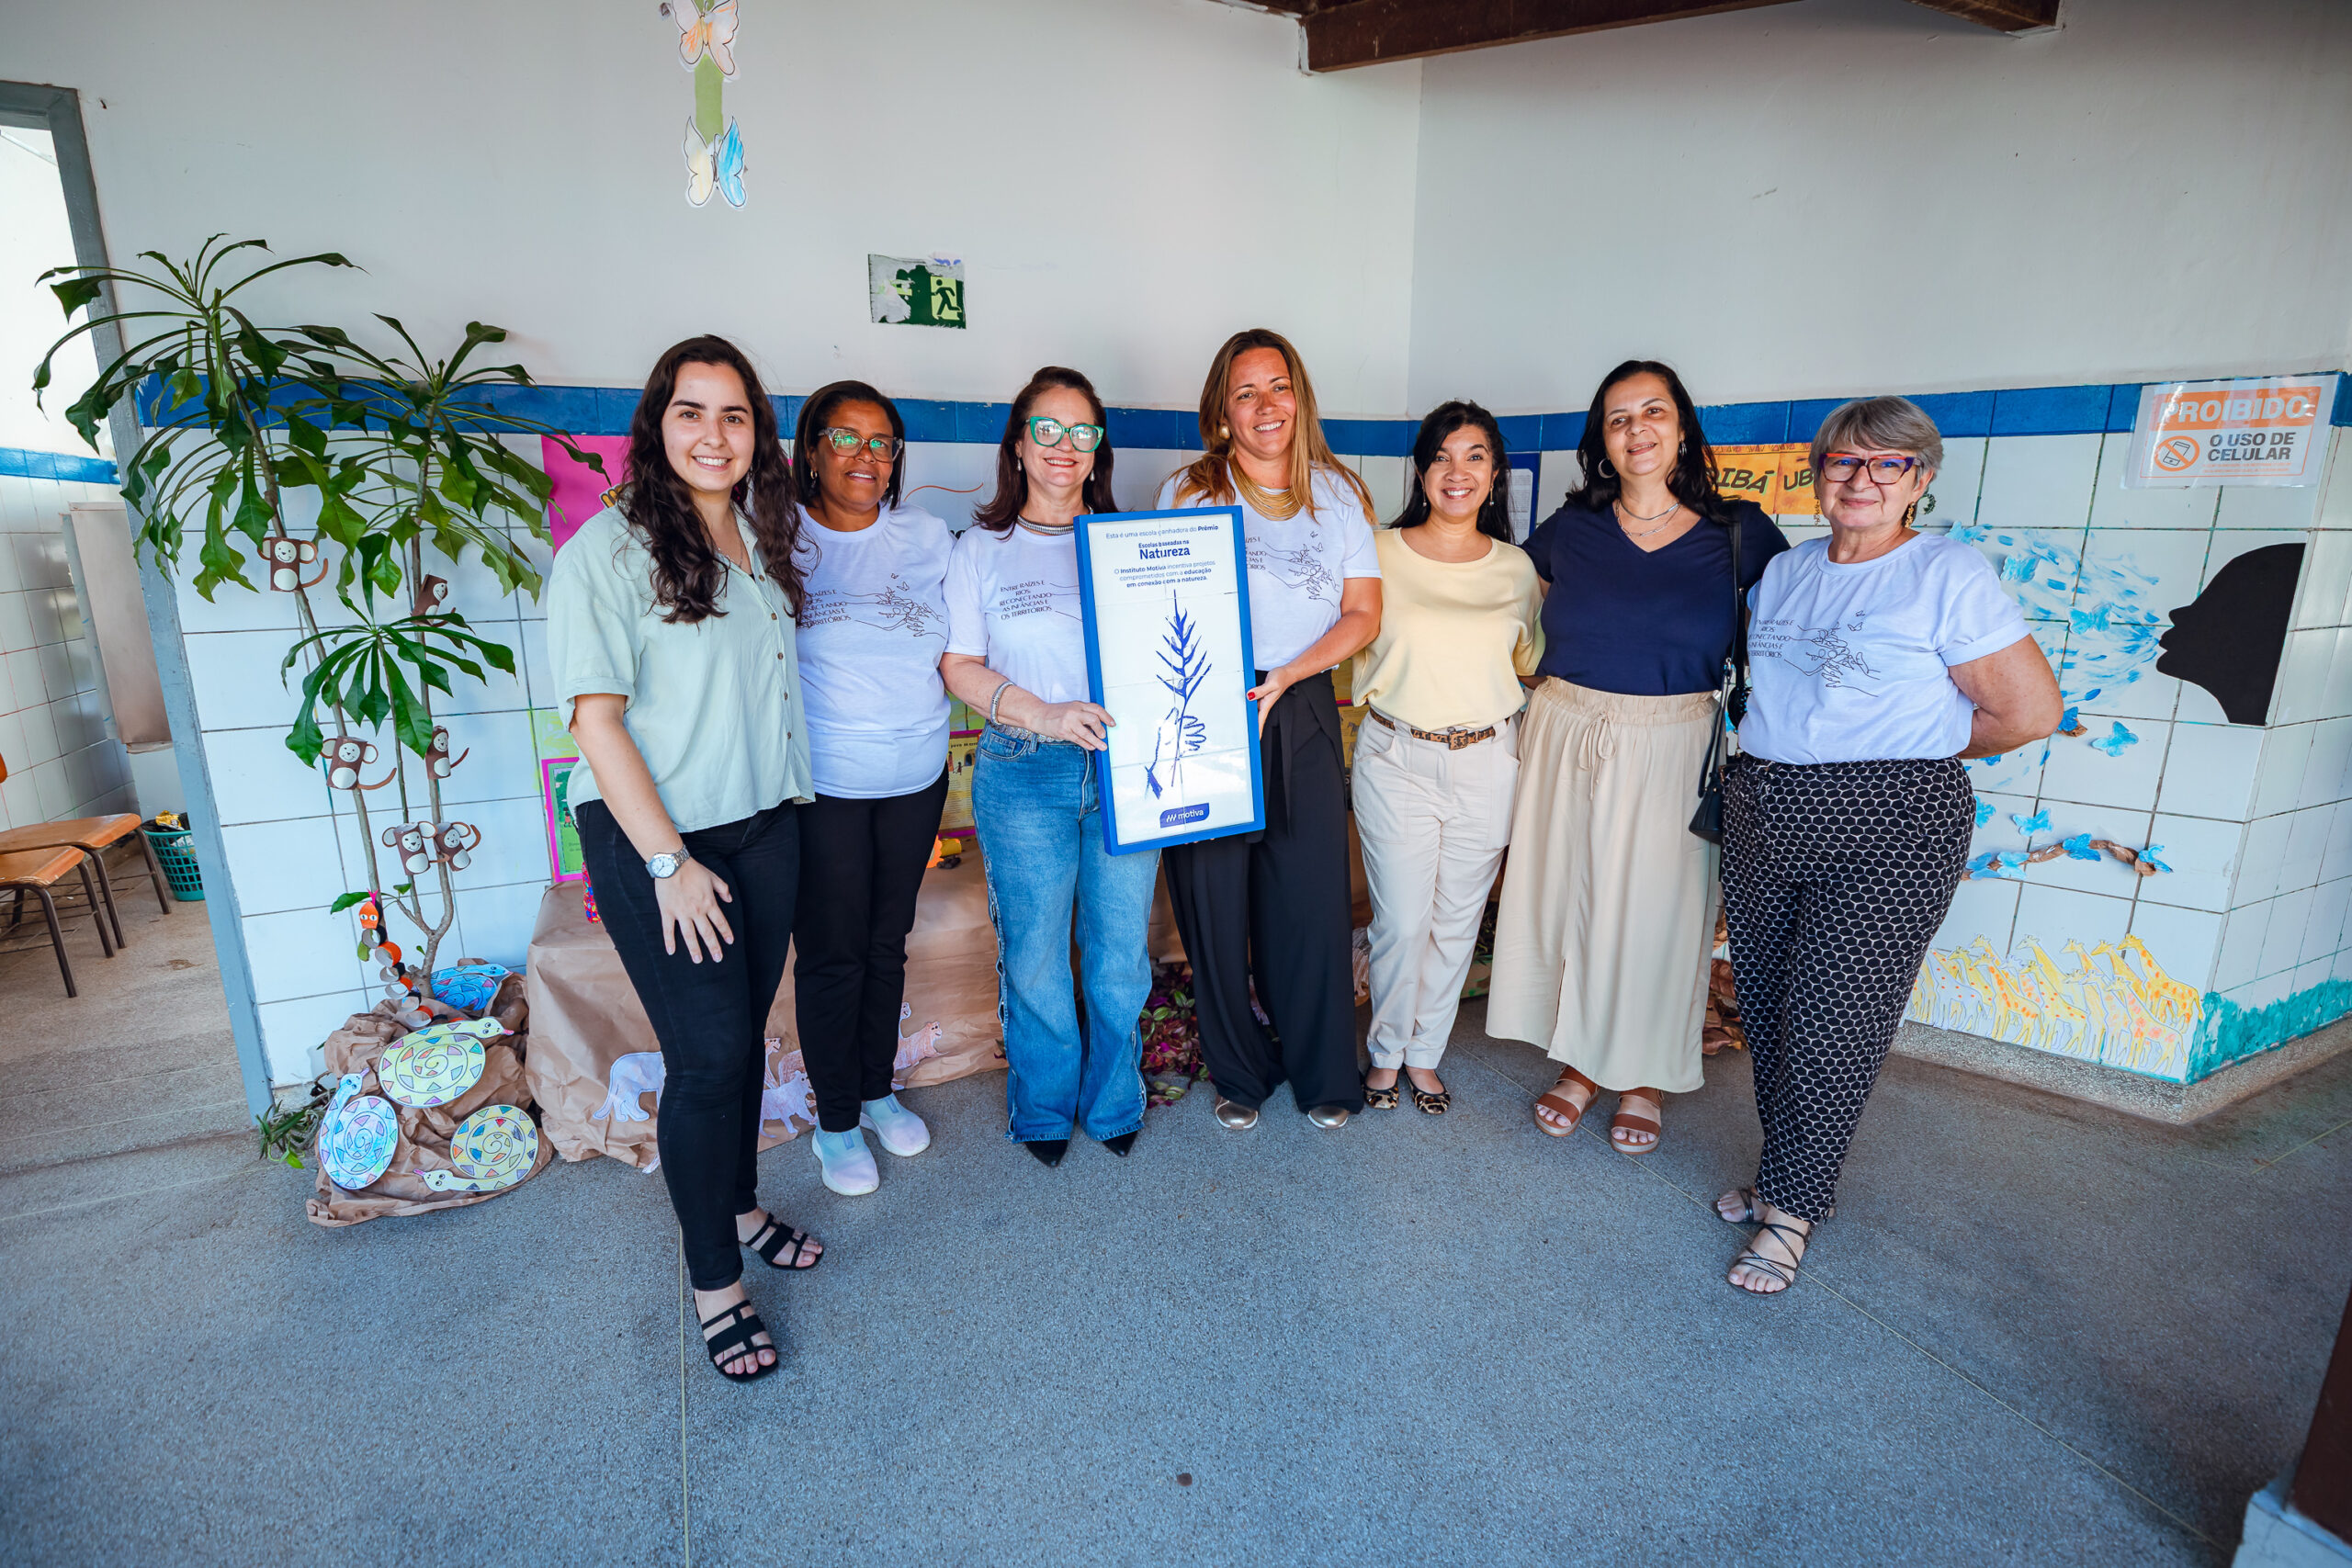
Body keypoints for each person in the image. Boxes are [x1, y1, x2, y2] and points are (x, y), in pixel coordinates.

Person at [1715, 396, 2060, 1294]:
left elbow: (2027, 710)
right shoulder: (1788, 573)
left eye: (1887, 465)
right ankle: (1784, 1174)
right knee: (1772, 1008)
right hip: (1767, 807)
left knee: (1837, 1020)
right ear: (1818, 473)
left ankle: (1790, 1211)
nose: (1861, 480)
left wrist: (1914, 754)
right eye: (1843, 463)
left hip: (1893, 821)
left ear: (1920, 480)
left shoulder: (1947, 574)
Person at [550, 335, 822, 1384]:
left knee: (742, 1041)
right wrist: (670, 865)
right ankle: (716, 1284)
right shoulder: (606, 555)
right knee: (707, 1063)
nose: (715, 435)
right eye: (692, 413)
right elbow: (597, 723)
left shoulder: (758, 537)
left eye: (736, 415)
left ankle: (740, 1202)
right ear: (656, 426)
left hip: (763, 825)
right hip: (664, 843)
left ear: (759, 432)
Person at [1487, 360, 1788, 1156]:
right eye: (1618, 418)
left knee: (1661, 912)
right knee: (1569, 897)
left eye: (1652, 411)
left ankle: (1644, 1074)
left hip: (1675, 737)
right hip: (1566, 728)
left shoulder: (1740, 530)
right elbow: (1505, 602)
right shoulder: (1571, 528)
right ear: (1603, 441)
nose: (1637, 429)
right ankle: (1582, 1063)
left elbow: (1796, 636)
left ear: (1681, 426)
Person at [1156, 329, 1382, 1132]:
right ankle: (1240, 1072)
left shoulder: (1338, 492)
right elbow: (1162, 606)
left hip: (1305, 703)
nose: (1264, 406)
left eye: (1277, 387)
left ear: (1300, 396)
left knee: (1311, 894)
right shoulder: (1191, 490)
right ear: (1222, 409)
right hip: (1207, 708)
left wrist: (1288, 673)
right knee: (1213, 897)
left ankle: (1324, 1069)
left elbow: (1364, 612)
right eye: (1244, 392)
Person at [940, 367, 1157, 1168]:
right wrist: (1043, 713)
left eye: (1083, 432)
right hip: (1024, 770)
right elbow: (959, 665)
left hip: (1125, 774)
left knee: (1117, 952)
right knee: (1032, 952)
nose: (1066, 447)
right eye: (1048, 430)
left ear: (1099, 448)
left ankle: (1113, 1100)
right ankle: (1041, 1106)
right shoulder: (980, 550)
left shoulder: (1129, 544)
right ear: (1019, 445)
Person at [1351, 401, 1543, 1115]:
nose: (1457, 472)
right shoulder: (1375, 551)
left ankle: (1424, 1054)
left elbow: (1528, 665)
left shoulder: (1517, 570)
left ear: (1495, 475)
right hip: (1397, 753)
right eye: (1441, 457)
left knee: (1458, 918)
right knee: (1401, 919)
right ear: (1422, 471)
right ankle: (1384, 1052)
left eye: (1475, 457)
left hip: (1488, 758)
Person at [787, 381, 952, 1197]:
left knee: (887, 944)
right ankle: (836, 1121)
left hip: (917, 774)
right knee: (831, 954)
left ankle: (879, 1090)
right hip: (826, 786)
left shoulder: (926, 536)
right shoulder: (777, 535)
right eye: (845, 438)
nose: (865, 455)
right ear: (811, 447)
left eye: (881, 441)